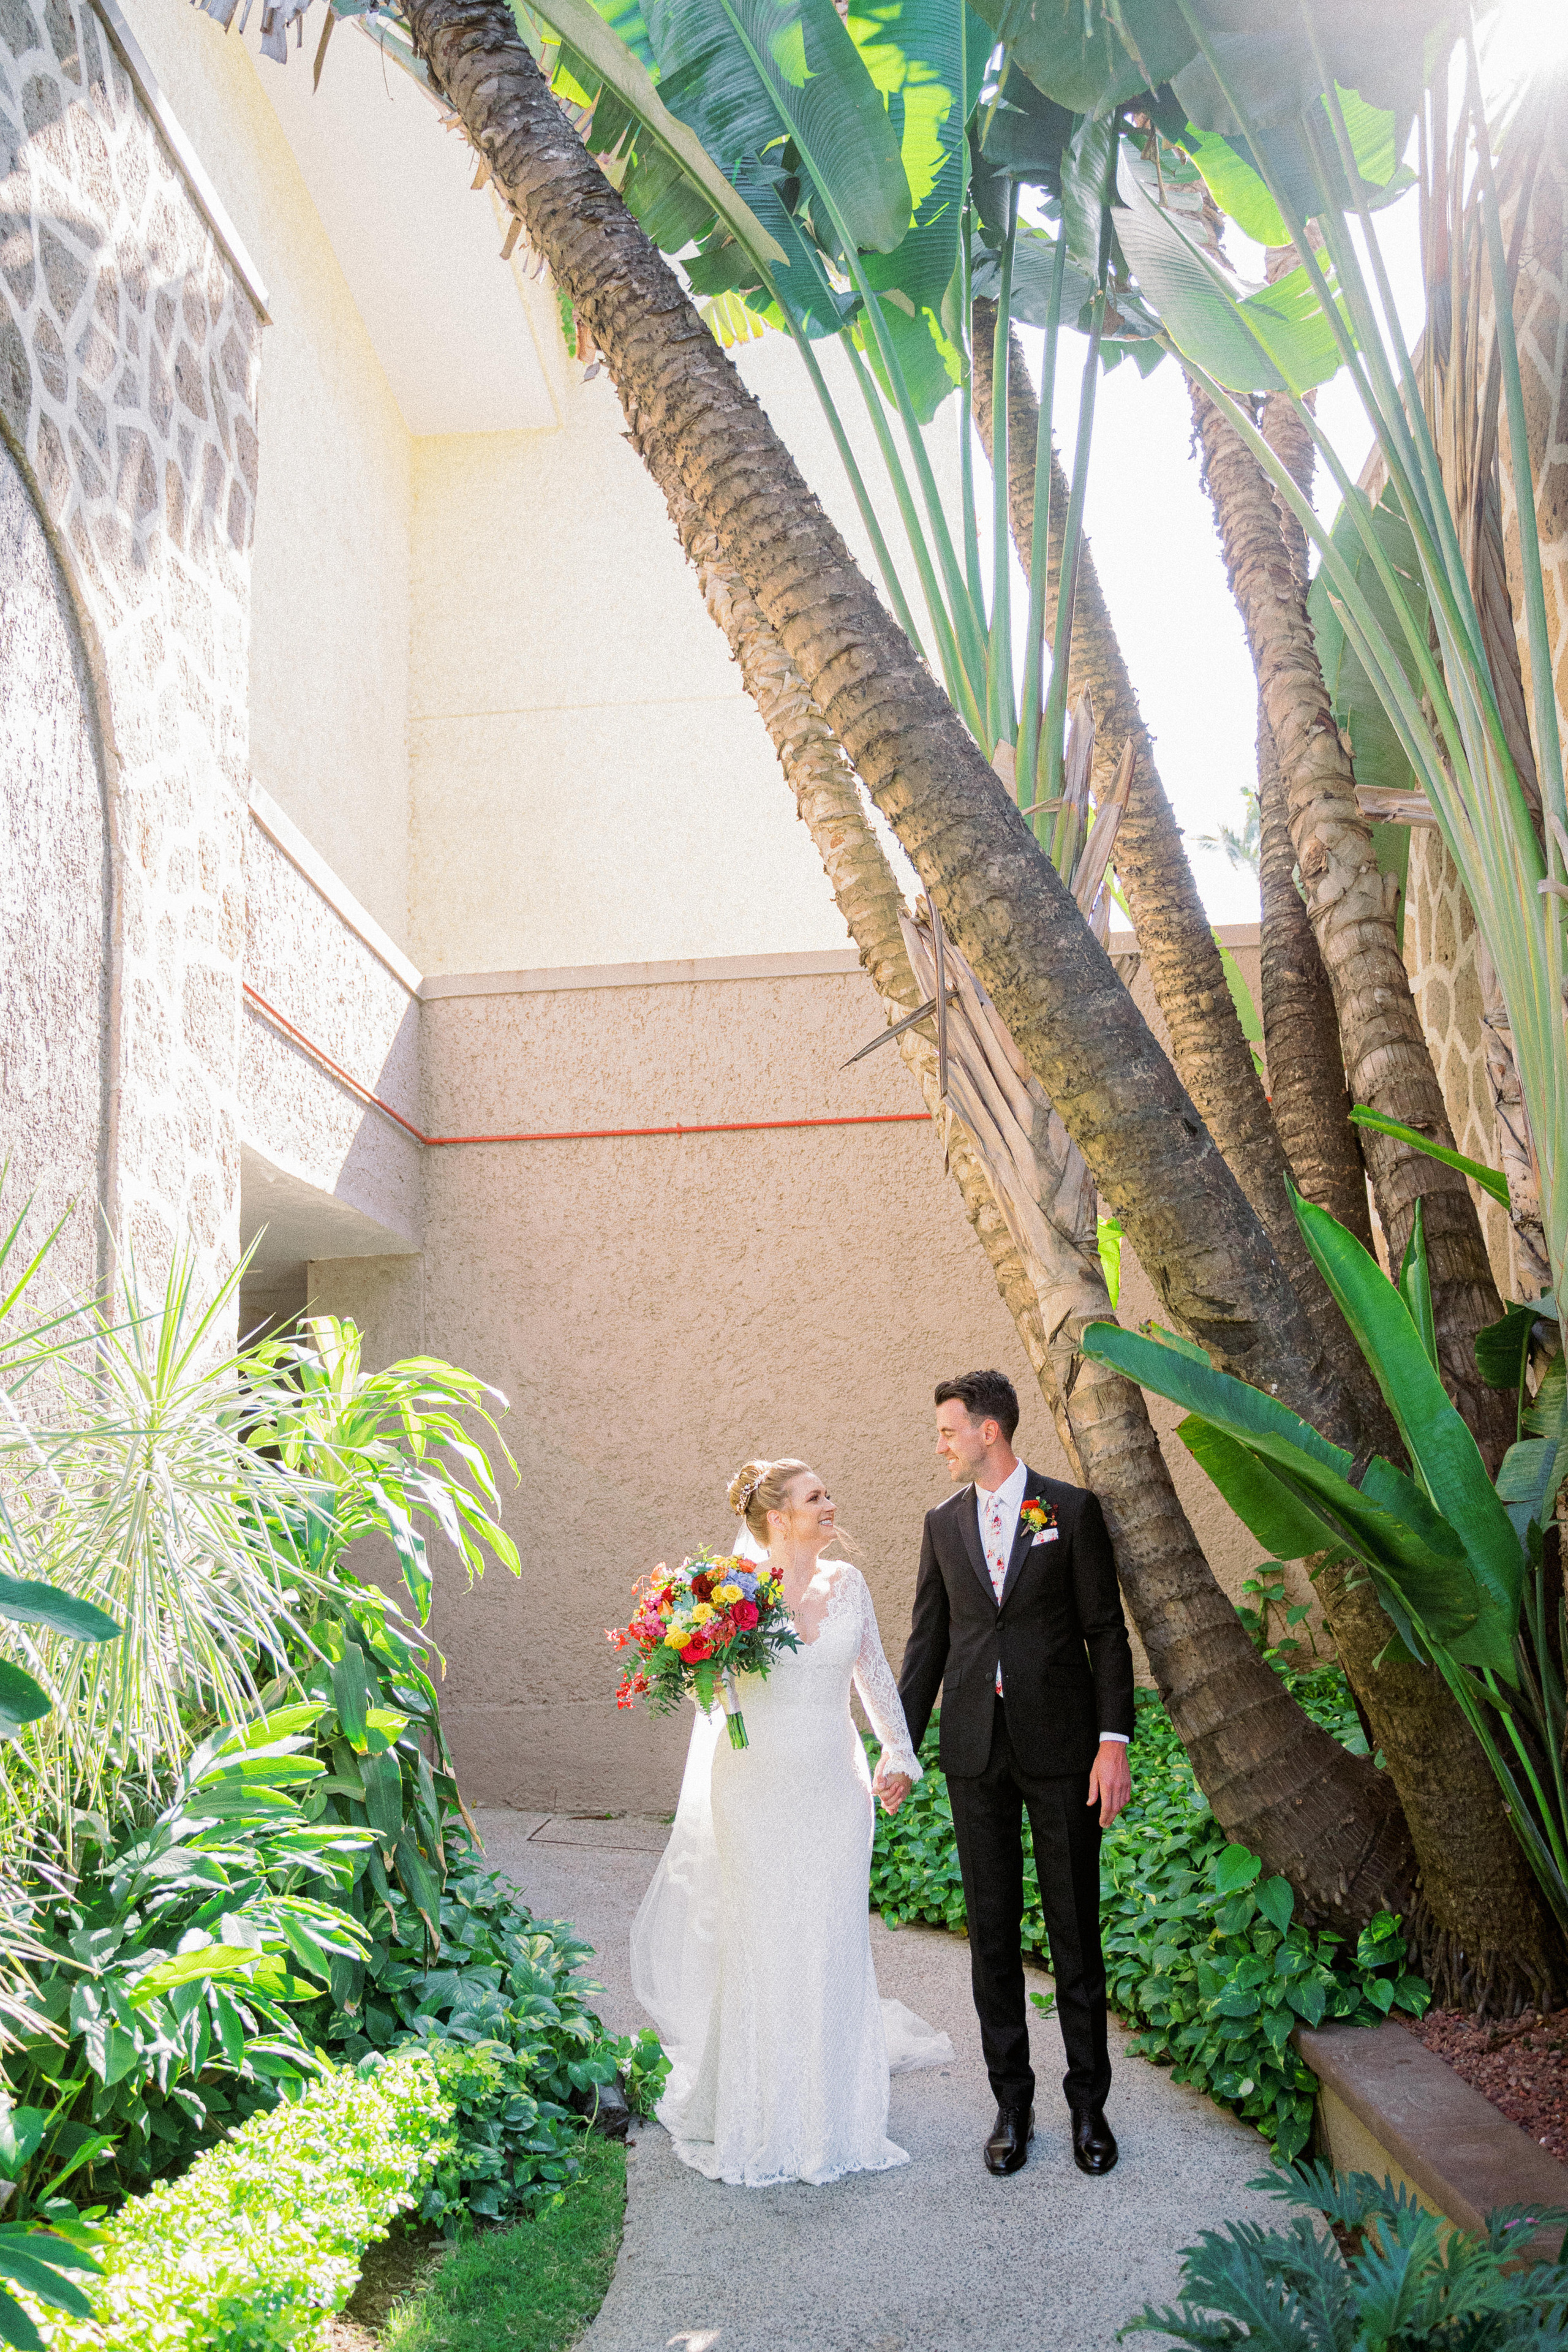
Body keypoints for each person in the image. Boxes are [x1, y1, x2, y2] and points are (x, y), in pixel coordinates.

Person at [630, 1458, 951, 2187]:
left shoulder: (850, 1586)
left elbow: (873, 1674)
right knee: (764, 1942)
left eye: (829, 1493)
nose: (831, 1504)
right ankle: (759, 2118)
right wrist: (700, 1664)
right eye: (817, 1497)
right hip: (754, 1789)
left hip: (835, 1791)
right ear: (779, 1517)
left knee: (830, 1938)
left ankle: (831, 2119)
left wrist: (899, 1754)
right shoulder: (723, 1596)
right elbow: (707, 1696)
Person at [894, 1371, 1134, 2179]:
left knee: (1074, 1930)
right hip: (974, 1751)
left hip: (1063, 1749)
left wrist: (1114, 1742)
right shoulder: (942, 1523)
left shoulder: (1068, 1510)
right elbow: (928, 1643)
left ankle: (1088, 2106)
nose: (940, 1444)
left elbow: (1106, 1631)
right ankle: (1012, 2103)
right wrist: (902, 1747)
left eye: (947, 1430)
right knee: (991, 1934)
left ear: (989, 1430)